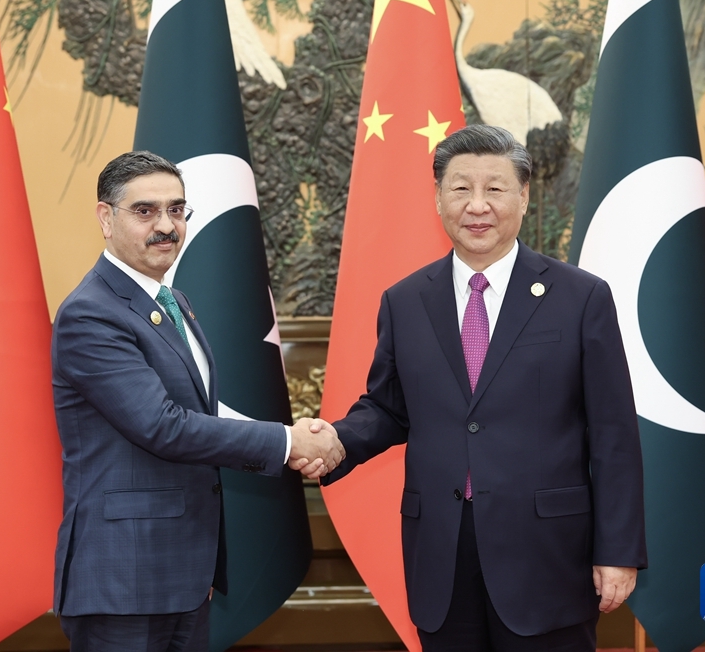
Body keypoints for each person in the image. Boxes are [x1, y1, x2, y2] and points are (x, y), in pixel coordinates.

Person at [317, 125, 647, 651]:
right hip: (442, 552)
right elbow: (389, 408)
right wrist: (334, 441)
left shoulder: (580, 297)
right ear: (438, 198)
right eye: (460, 188)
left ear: (524, 195)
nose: (477, 205)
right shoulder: (404, 301)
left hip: (547, 553)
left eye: (495, 188)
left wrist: (618, 551)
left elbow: (614, 434)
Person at [51, 150, 343, 652]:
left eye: (176, 209)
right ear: (106, 218)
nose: (166, 225)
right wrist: (286, 442)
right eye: (145, 211)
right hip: (123, 578)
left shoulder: (173, 302)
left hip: (182, 570)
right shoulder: (91, 314)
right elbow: (162, 426)